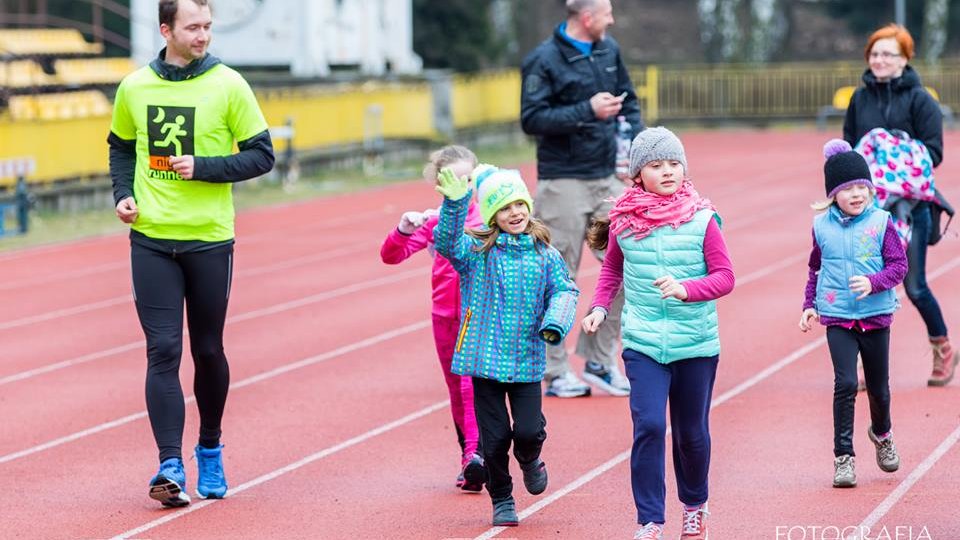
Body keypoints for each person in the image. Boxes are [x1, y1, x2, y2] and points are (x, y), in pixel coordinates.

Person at [107, 0, 274, 507]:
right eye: (193, 27)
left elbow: (262, 154)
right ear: (166, 30)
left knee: (206, 350)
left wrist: (203, 166)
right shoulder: (135, 86)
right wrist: (122, 194)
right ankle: (169, 464)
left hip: (208, 239)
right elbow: (120, 145)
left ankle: (210, 446)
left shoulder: (229, 84)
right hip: (152, 240)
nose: (203, 36)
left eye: (207, 26)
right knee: (163, 351)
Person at [581, 127, 734, 540]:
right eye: (656, 165)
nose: (667, 171)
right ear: (637, 174)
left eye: (673, 163)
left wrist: (688, 290)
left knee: (691, 434)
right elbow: (612, 268)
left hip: (695, 343)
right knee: (648, 426)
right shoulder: (624, 223)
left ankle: (694, 504)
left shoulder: (703, 219)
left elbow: (725, 278)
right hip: (643, 341)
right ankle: (650, 519)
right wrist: (598, 307)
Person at [433, 165, 579, 527]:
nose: (515, 213)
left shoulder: (544, 254)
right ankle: (502, 497)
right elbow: (447, 242)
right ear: (492, 216)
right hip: (484, 362)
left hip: (526, 361)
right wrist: (455, 204)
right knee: (494, 440)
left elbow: (565, 289)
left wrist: (555, 321)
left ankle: (530, 458)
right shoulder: (476, 255)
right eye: (504, 208)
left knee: (528, 431)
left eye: (519, 204)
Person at [520, 0, 642, 398]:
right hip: (563, 182)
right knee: (557, 278)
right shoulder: (543, 60)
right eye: (607, 12)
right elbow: (532, 119)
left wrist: (634, 148)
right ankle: (553, 371)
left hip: (607, 177)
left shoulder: (610, 49)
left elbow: (631, 103)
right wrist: (586, 110)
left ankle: (599, 360)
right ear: (586, 18)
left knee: (629, 265)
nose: (613, 19)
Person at [842, 23, 957, 386]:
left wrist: (894, 158)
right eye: (875, 53)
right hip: (868, 211)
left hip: (913, 209)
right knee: (866, 285)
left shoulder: (921, 100)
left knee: (915, 286)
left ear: (905, 59)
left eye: (888, 54)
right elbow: (849, 148)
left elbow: (933, 152)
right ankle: (866, 365)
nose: (880, 60)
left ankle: (942, 347)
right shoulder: (859, 100)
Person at [799, 140, 908, 489]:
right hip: (838, 316)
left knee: (879, 388)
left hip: (876, 316)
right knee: (845, 383)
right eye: (848, 189)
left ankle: (882, 433)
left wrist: (874, 283)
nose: (857, 194)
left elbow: (899, 266)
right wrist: (809, 306)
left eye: (862, 187)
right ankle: (843, 457)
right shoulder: (822, 227)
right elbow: (815, 269)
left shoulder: (881, 222)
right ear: (834, 194)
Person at [379, 145, 485, 492]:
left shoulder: (488, 218)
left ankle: (476, 456)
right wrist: (404, 229)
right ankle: (467, 457)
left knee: (471, 387)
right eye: (454, 180)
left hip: (478, 315)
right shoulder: (435, 221)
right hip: (444, 315)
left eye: (468, 179)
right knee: (456, 388)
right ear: (438, 183)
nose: (462, 186)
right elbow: (391, 256)